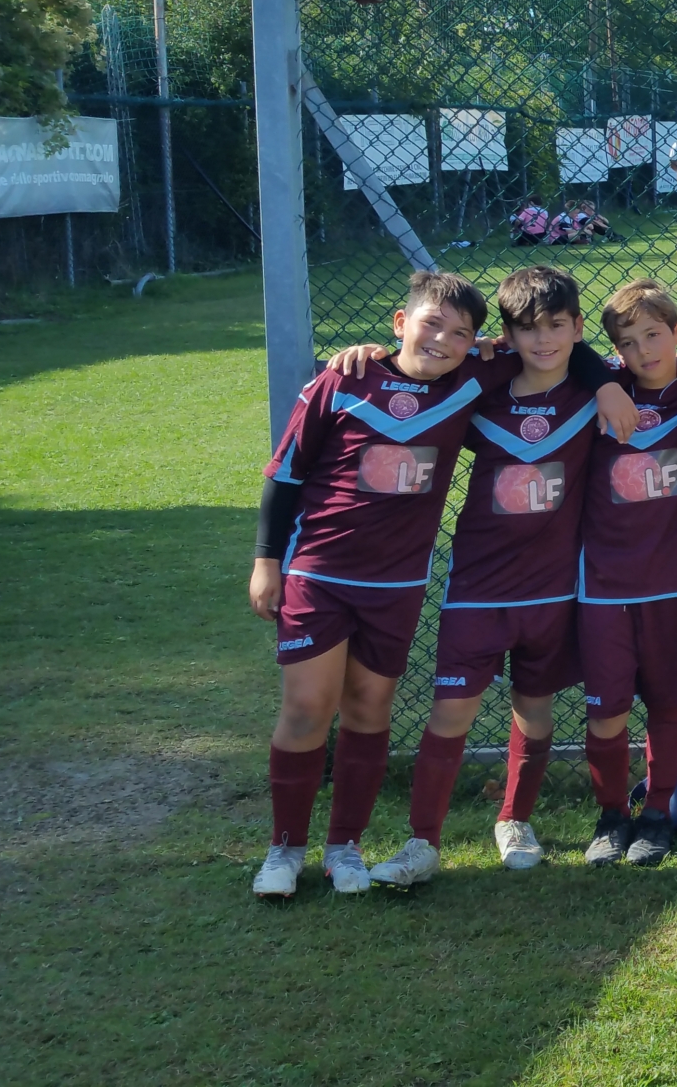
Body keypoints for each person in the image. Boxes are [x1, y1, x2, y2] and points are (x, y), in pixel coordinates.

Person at [247, 272, 629, 899]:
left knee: (370, 709)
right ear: (399, 323)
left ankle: (345, 846)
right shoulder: (347, 377)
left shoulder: (472, 379)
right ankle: (284, 849)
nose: (445, 340)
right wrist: (266, 561)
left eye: (461, 333)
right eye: (432, 324)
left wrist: (609, 380)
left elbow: (561, 342)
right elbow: (286, 474)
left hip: (398, 583)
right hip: (320, 570)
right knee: (308, 707)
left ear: (478, 342)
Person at [348, 268, 657, 887]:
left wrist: (604, 382)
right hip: (479, 586)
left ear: (574, 328)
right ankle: (422, 842)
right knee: (450, 713)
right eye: (526, 329)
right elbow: (416, 372)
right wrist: (370, 355)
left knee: (534, 713)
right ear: (507, 336)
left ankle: (514, 818)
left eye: (556, 327)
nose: (543, 341)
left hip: (554, 588)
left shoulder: (595, 390)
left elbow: (655, 369)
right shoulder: (479, 384)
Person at [570, 279, 677, 867]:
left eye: (655, 337)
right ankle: (612, 815)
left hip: (676, 577)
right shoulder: (601, 395)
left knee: (667, 701)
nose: (645, 351)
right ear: (616, 352)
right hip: (605, 580)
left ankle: (658, 812)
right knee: (606, 708)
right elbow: (553, 351)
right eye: (629, 343)